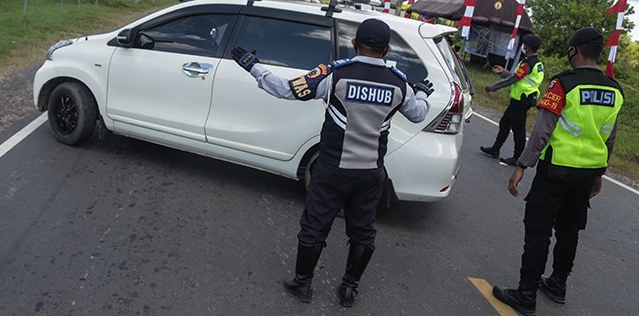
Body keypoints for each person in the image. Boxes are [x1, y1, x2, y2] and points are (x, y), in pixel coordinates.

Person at [231, 18, 432, 307]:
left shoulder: (336, 75)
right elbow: (418, 113)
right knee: (363, 231)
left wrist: (254, 66)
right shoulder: (399, 83)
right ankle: (349, 289)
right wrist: (422, 91)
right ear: (387, 50)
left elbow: (286, 89)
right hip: (370, 173)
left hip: (332, 170)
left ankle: (302, 285)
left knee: (315, 225)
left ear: (354, 44)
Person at [492, 27, 623, 316]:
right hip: (587, 173)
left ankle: (526, 295)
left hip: (556, 170)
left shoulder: (563, 84)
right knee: (569, 231)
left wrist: (522, 165)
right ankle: (557, 285)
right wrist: (599, 172)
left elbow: (541, 132)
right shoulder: (614, 89)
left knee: (538, 229)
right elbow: (608, 137)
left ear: (573, 50)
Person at [480, 34, 545, 166]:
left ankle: (517, 158)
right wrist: (503, 71)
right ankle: (495, 149)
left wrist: (493, 87)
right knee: (505, 123)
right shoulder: (536, 63)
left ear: (527, 47)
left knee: (518, 130)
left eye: (524, 43)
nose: (523, 45)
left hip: (522, 100)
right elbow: (518, 76)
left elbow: (513, 79)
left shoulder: (528, 63)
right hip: (521, 99)